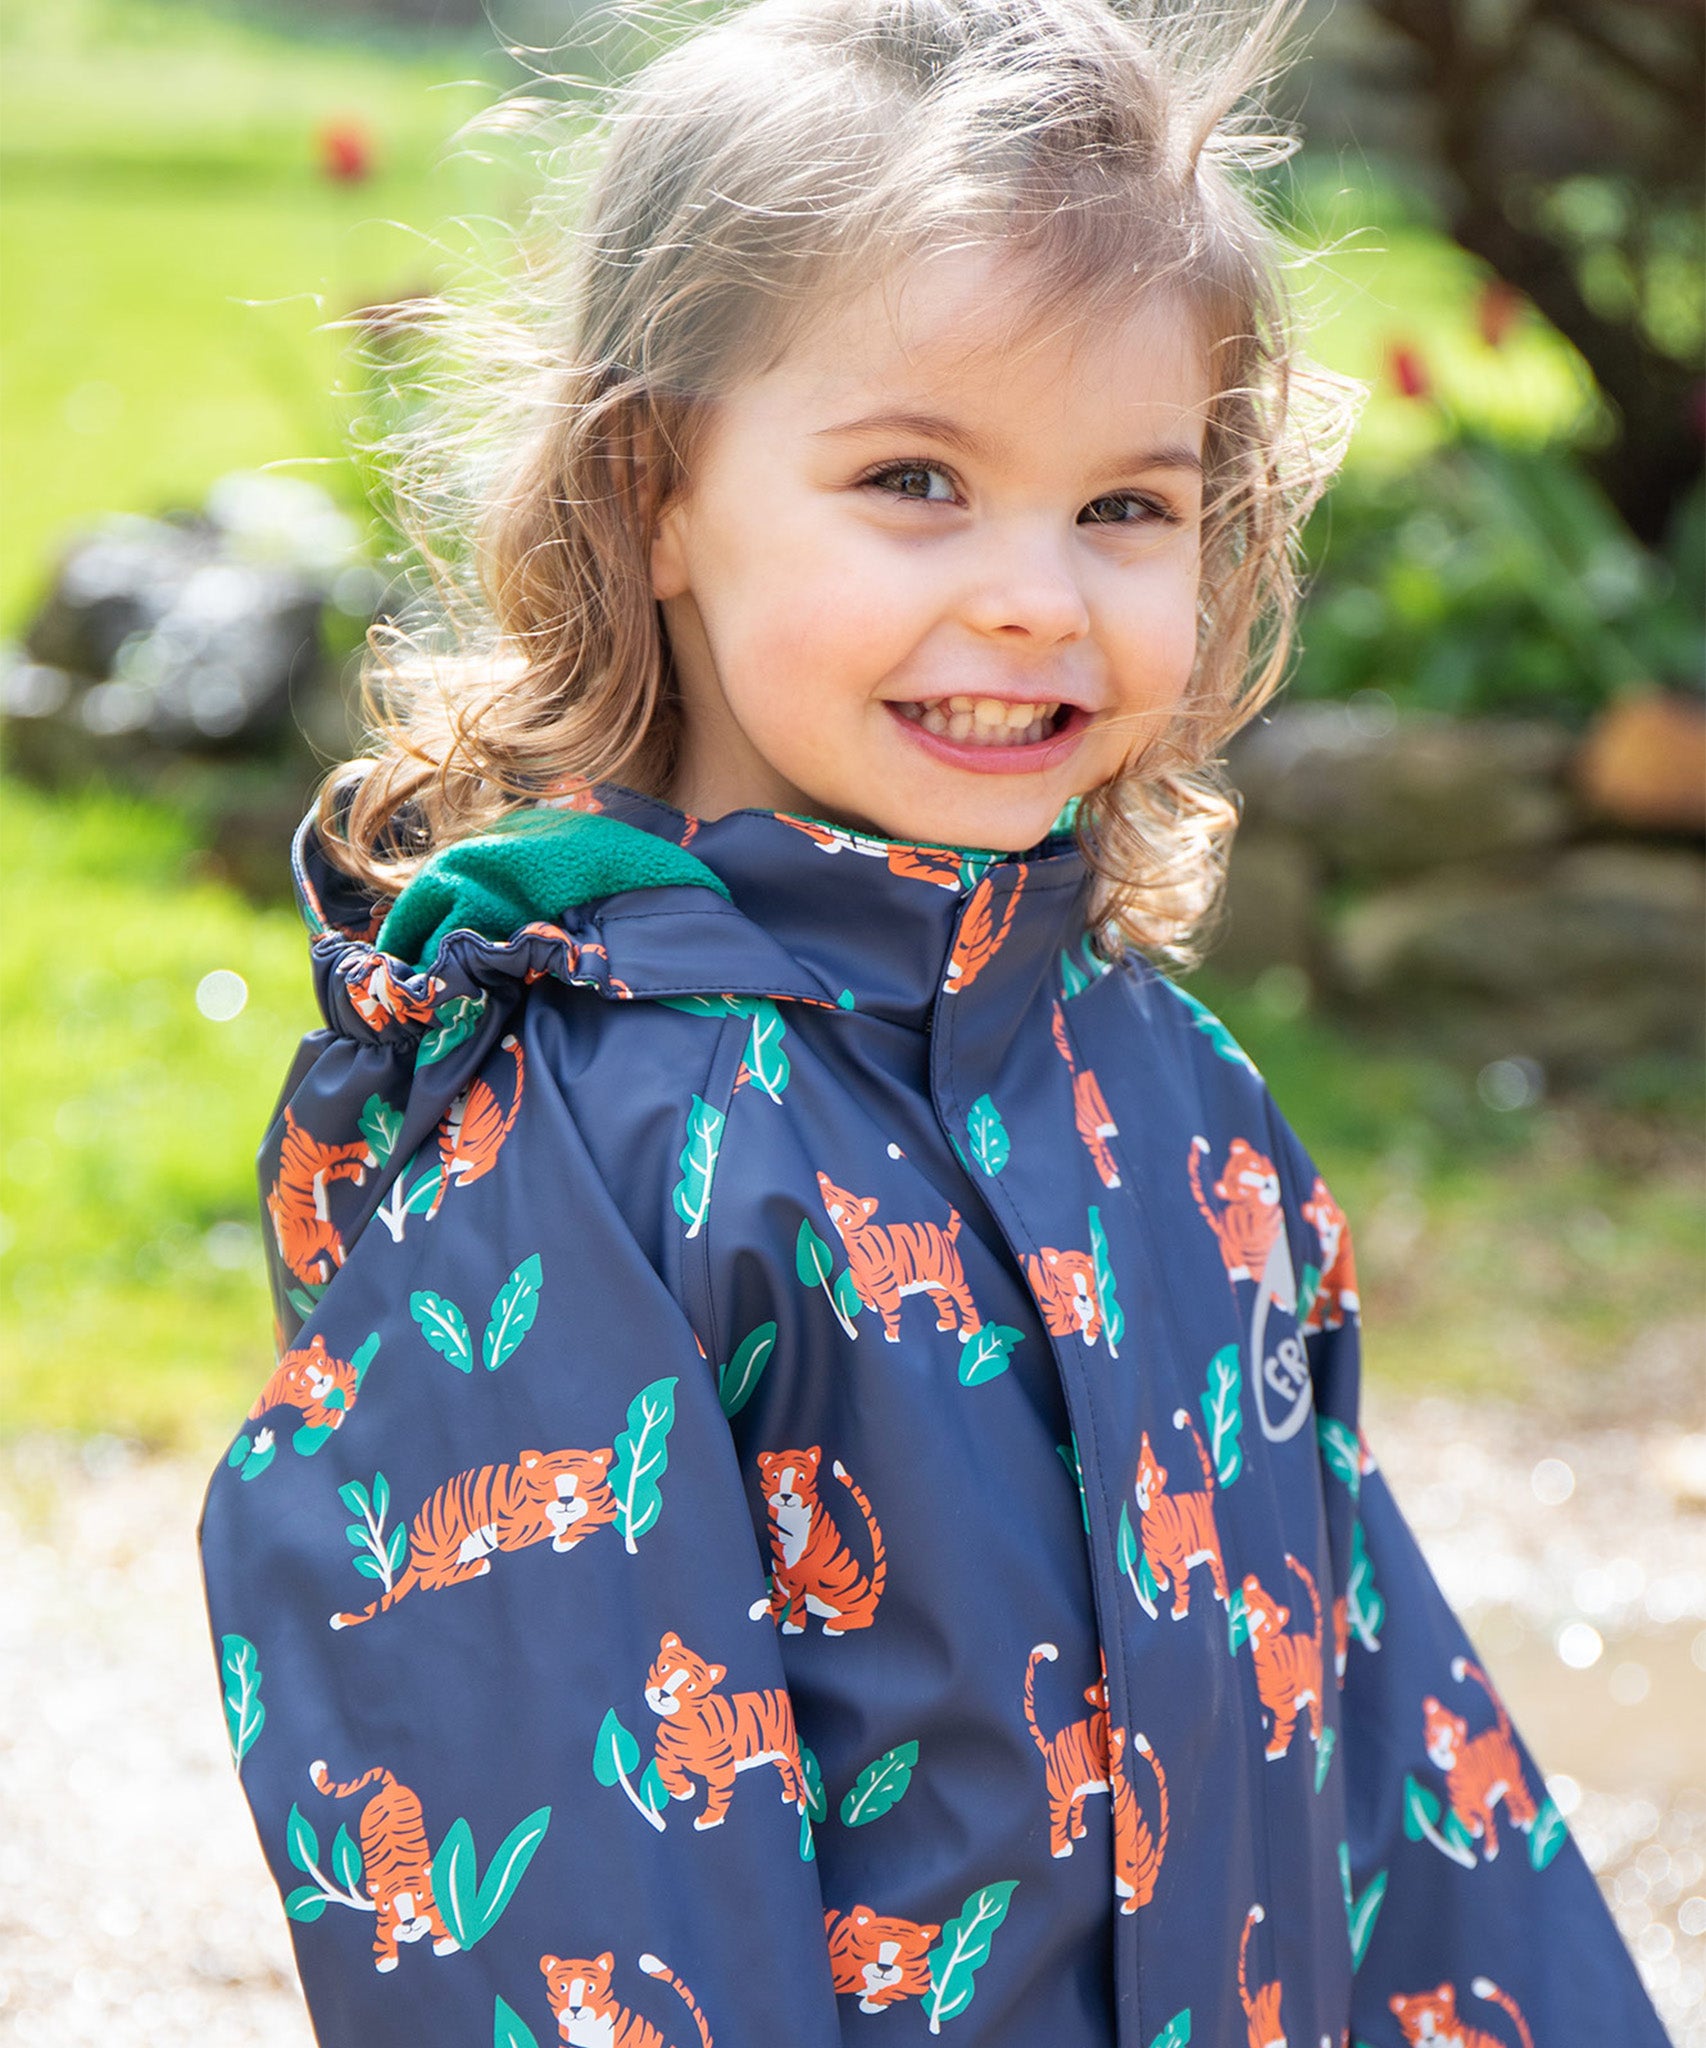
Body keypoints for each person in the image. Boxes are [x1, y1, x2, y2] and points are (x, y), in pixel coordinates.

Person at [198, 1, 1666, 2042]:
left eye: (1126, 507)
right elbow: (559, 1883)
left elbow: (1385, 1759)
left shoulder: (1176, 1106)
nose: (1034, 596)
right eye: (914, 479)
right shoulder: (576, 1133)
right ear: (654, 498)